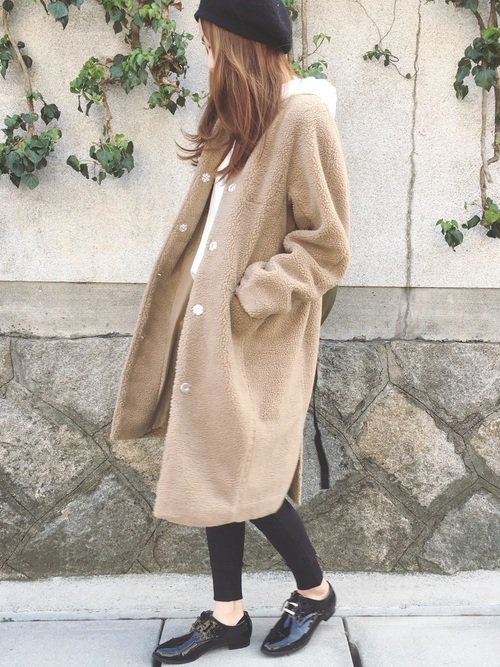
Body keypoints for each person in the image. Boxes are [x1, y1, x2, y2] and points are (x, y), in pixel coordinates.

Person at [109, 0, 351, 664]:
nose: (207, 54)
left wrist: (248, 300)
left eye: (213, 43)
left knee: (250, 469)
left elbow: (326, 246)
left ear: (242, 44)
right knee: (217, 459)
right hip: (208, 323)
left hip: (255, 331)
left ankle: (316, 590)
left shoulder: (303, 118)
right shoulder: (238, 118)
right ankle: (229, 615)